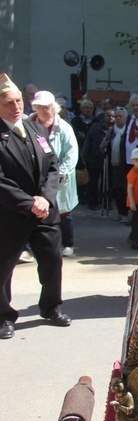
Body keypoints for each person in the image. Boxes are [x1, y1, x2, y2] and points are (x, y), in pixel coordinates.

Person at [0, 73, 72, 340]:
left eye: (19, 101)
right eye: (9, 102)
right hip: (11, 213)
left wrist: (45, 197)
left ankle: (51, 307)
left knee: (52, 260)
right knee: (4, 266)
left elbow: (52, 166)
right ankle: (4, 316)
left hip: (44, 210)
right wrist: (29, 202)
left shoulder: (36, 128)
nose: (17, 106)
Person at [30, 91, 79, 257]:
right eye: (39, 107)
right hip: (36, 175)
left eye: (46, 107)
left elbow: (72, 153)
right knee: (37, 209)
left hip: (59, 177)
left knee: (63, 212)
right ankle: (36, 245)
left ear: (54, 108)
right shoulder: (28, 124)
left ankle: (67, 243)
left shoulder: (64, 127)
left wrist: (62, 172)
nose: (43, 111)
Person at [83, 108, 115, 210]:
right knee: (93, 182)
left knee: (108, 182)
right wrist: (85, 155)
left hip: (110, 159)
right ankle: (92, 202)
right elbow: (88, 141)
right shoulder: (95, 127)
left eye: (113, 116)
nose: (111, 118)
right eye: (108, 116)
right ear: (104, 116)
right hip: (95, 158)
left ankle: (106, 202)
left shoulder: (116, 129)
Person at [102, 107, 129, 222]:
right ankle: (120, 212)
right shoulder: (111, 131)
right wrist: (103, 145)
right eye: (116, 116)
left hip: (126, 164)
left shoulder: (128, 130)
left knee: (125, 189)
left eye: (120, 116)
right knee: (117, 190)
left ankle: (126, 214)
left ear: (125, 118)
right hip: (113, 164)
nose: (118, 118)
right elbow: (102, 147)